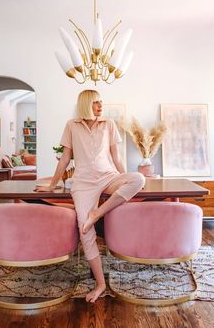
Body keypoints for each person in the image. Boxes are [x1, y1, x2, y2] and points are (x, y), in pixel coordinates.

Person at [35, 90, 145, 303]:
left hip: (108, 177)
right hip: (83, 183)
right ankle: (101, 284)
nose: (100, 105)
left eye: (101, 101)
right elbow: (65, 158)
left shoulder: (109, 124)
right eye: (96, 102)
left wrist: (124, 178)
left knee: (138, 179)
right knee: (85, 229)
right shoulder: (71, 125)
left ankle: (98, 213)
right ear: (86, 104)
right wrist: (52, 185)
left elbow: (115, 156)